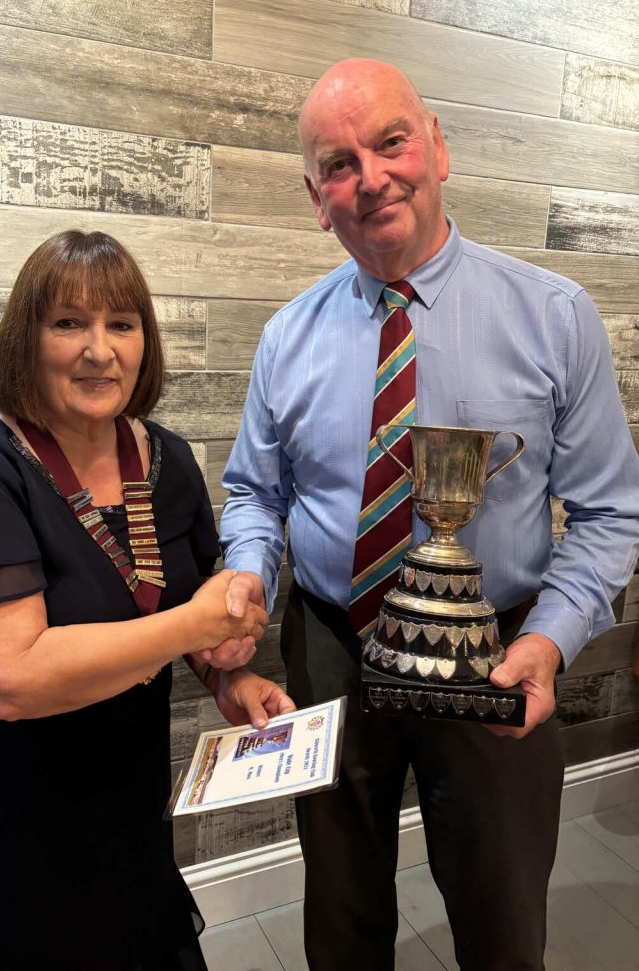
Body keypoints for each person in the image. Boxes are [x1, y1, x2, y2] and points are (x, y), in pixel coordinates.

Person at [220, 58, 639, 970]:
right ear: (313, 196)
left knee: (499, 913)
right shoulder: (286, 337)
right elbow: (255, 490)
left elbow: (610, 513)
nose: (370, 177)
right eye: (338, 163)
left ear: (438, 147)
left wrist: (554, 639)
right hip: (329, 645)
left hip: (497, 657)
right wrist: (246, 574)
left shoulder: (554, 317)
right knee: (340, 908)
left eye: (391, 142)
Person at [0, 230, 294, 971]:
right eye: (68, 323)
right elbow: (8, 677)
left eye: (121, 324)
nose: (100, 349)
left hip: (115, 795)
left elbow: (177, 614)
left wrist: (227, 674)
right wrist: (195, 623)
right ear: (25, 340)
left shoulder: (166, 461)